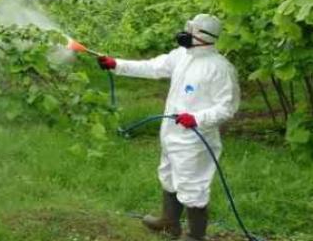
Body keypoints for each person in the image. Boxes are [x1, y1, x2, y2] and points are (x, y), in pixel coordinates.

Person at [97, 14, 240, 241]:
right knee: (168, 175)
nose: (184, 32)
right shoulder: (182, 56)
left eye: (190, 29)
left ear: (202, 35)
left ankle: (195, 236)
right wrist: (117, 64)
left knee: (193, 187)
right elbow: (153, 67)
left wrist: (197, 118)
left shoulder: (220, 68)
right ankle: (169, 222)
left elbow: (227, 108)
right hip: (171, 133)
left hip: (196, 140)